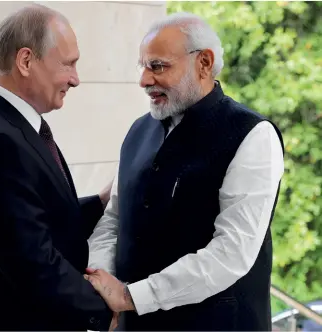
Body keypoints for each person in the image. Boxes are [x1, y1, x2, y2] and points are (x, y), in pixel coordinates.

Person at [86, 12, 285, 331]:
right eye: (143, 67)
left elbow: (231, 253)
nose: (144, 80)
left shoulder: (253, 135)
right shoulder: (138, 130)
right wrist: (99, 281)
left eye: (158, 66)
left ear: (204, 63)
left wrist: (130, 296)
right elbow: (114, 220)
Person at [0, 4, 116, 331]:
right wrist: (111, 309)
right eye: (68, 64)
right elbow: (34, 265)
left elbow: (37, 224)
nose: (76, 79)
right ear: (26, 61)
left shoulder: (9, 127)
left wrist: (100, 202)